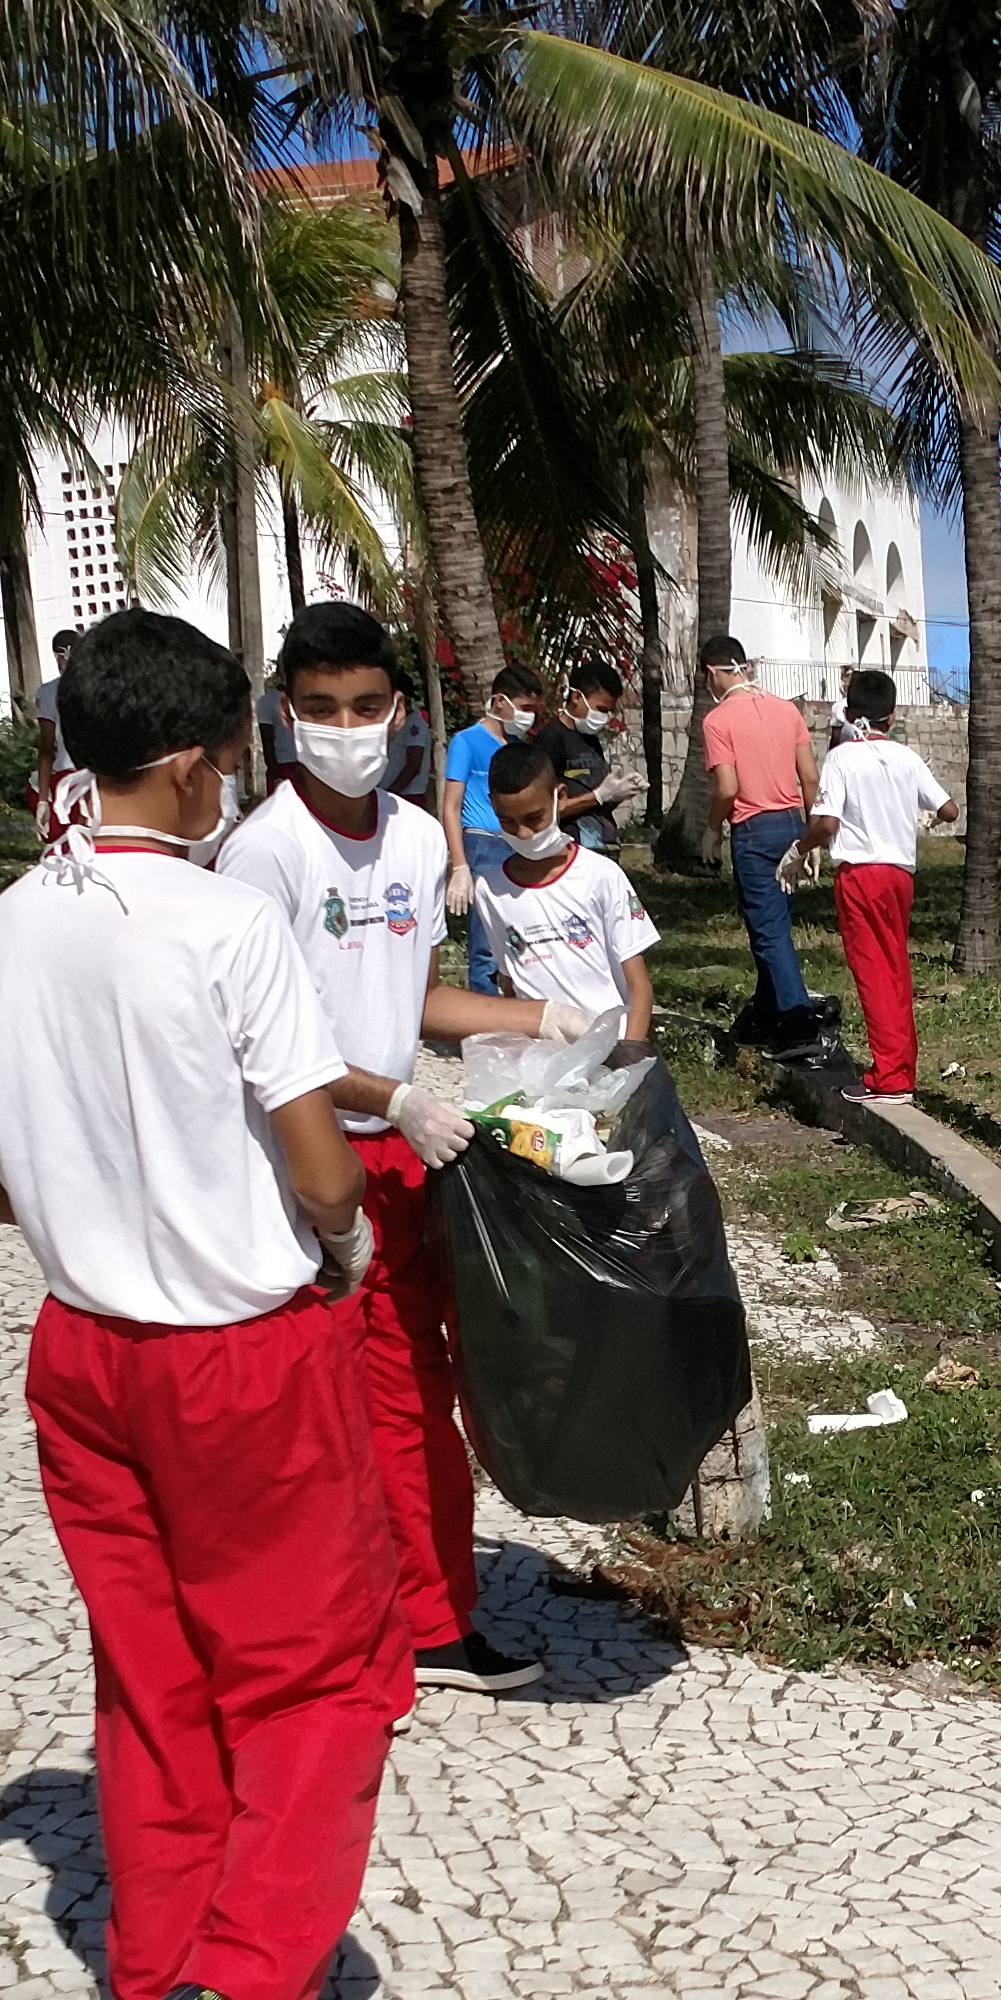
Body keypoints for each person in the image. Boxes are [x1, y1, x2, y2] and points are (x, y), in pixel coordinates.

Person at [0, 607, 405, 2000]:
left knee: (155, 1682)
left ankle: (153, 1987)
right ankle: (232, 1993)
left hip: (83, 1357)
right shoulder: (224, 925)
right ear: (202, 765)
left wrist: (102, 1193)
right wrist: (335, 1242)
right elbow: (323, 1167)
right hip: (241, 1359)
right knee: (323, 1679)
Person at [218, 601, 574, 1695]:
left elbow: (413, 998)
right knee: (314, 1413)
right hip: (301, 1164)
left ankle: (429, 1618)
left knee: (419, 1395)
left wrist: (538, 1019)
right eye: (321, 708)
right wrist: (389, 1097)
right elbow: (257, 1044)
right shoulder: (263, 854)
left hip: (405, 1165)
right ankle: (324, 1631)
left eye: (365, 705)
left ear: (401, 711)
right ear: (286, 715)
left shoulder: (418, 840)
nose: (345, 728)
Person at [808, 668, 948, 1095]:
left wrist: (799, 848)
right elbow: (949, 810)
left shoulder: (841, 759)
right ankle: (902, 1067)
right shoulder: (907, 758)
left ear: (849, 714)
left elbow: (827, 822)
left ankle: (889, 1078)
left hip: (860, 874)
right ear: (893, 716)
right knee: (895, 968)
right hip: (899, 875)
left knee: (872, 972)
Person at [475, 739, 658, 1042]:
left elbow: (639, 987)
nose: (523, 833)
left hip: (611, 1049)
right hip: (542, 1057)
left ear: (559, 797)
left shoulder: (601, 876)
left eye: (534, 818)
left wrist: (630, 1051)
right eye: (507, 821)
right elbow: (511, 983)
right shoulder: (490, 890)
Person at [698, 634, 825, 1037]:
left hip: (753, 830)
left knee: (768, 932)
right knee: (773, 926)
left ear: (711, 673)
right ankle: (766, 1012)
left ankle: (798, 1019)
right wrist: (812, 834)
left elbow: (727, 788)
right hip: (791, 824)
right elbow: (810, 777)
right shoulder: (786, 710)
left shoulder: (717, 721)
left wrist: (711, 829)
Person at [444, 663, 549, 993]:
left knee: (523, 935)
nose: (529, 716)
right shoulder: (467, 742)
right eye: (524, 707)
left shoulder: (517, 749)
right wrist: (460, 865)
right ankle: (484, 1014)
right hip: (483, 844)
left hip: (517, 842)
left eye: (533, 710)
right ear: (500, 701)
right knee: (486, 946)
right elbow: (451, 805)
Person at [548, 659, 627, 846]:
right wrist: (598, 796)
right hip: (572, 847)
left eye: (608, 712)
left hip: (603, 845)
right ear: (576, 697)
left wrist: (618, 793)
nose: (604, 718)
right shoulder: (552, 738)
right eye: (601, 710)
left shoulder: (590, 739)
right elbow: (547, 810)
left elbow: (597, 802)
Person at [31, 627, 78, 798]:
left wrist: (43, 799)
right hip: (97, 775)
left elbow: (47, 747)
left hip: (69, 776)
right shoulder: (99, 686)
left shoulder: (48, 692)